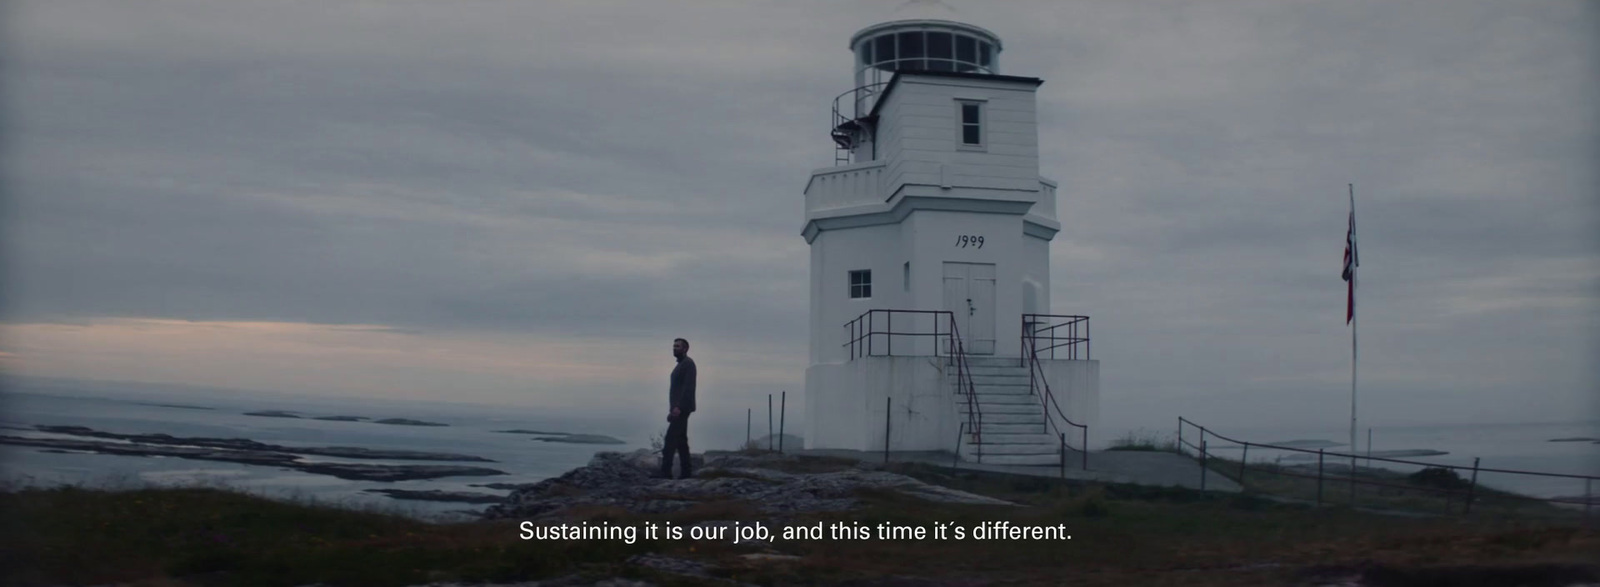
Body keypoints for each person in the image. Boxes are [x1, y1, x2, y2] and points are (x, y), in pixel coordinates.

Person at [661, 337, 697, 479]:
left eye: (677, 346)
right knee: (681, 442)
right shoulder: (681, 364)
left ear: (685, 348)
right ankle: (686, 473)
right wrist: (673, 409)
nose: (674, 348)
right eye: (674, 346)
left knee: (670, 440)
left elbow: (688, 387)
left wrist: (678, 407)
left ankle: (665, 473)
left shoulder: (688, 364)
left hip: (682, 408)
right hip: (678, 408)